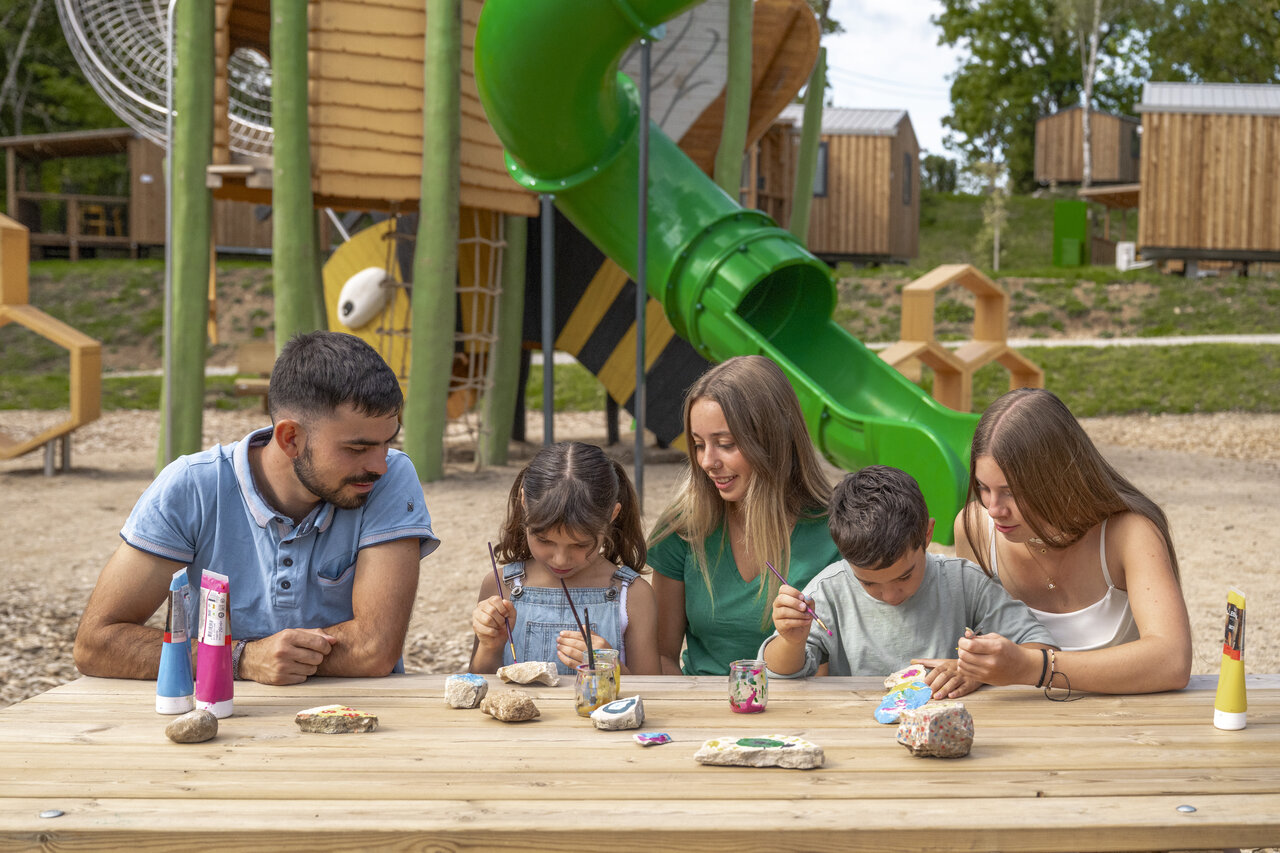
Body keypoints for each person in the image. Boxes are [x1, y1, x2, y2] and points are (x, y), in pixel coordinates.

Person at [74, 331, 439, 685]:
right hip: (222, 714)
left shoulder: (390, 478)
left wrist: (239, 657)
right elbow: (96, 644)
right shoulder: (194, 485)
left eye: (387, 442)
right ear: (290, 438)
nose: (379, 465)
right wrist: (243, 658)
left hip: (361, 716)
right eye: (357, 449)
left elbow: (373, 650)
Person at [952, 387, 1192, 694]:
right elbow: (970, 644)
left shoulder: (1129, 533)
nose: (994, 509)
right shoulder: (975, 529)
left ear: (1057, 479)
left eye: (1010, 492)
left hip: (1124, 721)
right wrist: (971, 666)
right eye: (984, 488)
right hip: (1011, 722)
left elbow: (1172, 661)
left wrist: (1034, 667)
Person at [762, 466, 1055, 697]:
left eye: (904, 576)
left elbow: (1043, 650)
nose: (891, 595)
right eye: (868, 584)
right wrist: (791, 640)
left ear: (927, 535)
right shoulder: (829, 590)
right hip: (858, 733)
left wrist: (977, 670)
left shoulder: (965, 583)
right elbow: (777, 674)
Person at [648, 355, 840, 675]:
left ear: (773, 440)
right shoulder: (682, 527)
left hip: (799, 703)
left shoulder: (836, 532)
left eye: (725, 444)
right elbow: (661, 656)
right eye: (698, 444)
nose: (707, 461)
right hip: (700, 702)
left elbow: (834, 663)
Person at [469, 441, 658, 675]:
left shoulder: (632, 595)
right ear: (524, 501)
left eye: (580, 545)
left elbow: (651, 690)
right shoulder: (499, 585)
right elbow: (477, 681)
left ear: (613, 515)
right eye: (544, 540)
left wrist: (610, 667)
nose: (560, 560)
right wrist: (489, 647)